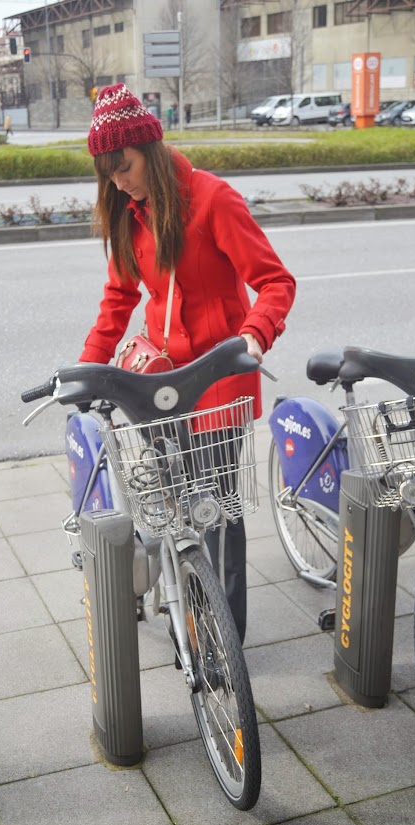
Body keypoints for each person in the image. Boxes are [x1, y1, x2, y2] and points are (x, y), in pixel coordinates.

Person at [79, 83, 296, 644]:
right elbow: (119, 298)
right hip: (158, 383)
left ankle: (224, 640)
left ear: (148, 151)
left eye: (124, 167)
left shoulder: (213, 199)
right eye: (108, 174)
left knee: (214, 509)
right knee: (173, 501)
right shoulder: (130, 213)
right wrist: (87, 368)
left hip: (217, 379)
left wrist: (255, 335)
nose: (117, 182)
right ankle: (187, 608)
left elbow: (276, 282)